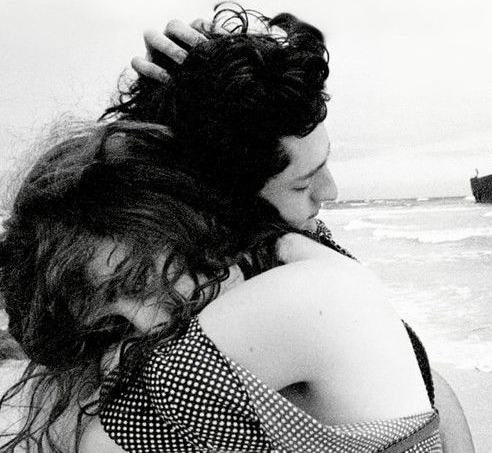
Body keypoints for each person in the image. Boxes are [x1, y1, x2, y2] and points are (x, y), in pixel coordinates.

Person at [114, 4, 473, 452]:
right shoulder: (202, 303)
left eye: (325, 163)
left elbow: (422, 376)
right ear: (223, 199)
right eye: (303, 183)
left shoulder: (297, 249)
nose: (331, 191)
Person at [0, 119, 442, 453]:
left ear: (192, 219)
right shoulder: (315, 268)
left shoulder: (305, 296)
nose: (148, 326)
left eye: (139, 281)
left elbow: (99, 446)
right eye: (112, 325)